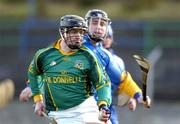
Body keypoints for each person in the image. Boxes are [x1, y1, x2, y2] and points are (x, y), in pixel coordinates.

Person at [27, 15, 112, 124]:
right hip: (60, 114)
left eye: (81, 32)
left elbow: (102, 83)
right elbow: (33, 73)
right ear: (62, 32)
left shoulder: (88, 56)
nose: (78, 36)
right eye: (74, 32)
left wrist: (103, 106)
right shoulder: (44, 55)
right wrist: (38, 100)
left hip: (87, 108)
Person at [83, 9, 151, 124]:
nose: (99, 27)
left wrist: (138, 96)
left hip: (101, 108)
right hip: (75, 109)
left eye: (102, 24)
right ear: (86, 25)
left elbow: (122, 80)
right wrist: (41, 98)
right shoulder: (74, 47)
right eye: (94, 23)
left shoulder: (105, 56)